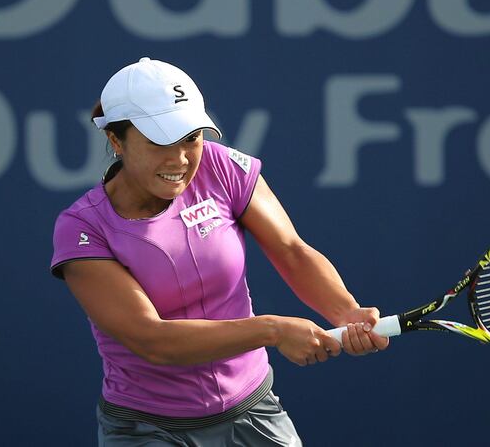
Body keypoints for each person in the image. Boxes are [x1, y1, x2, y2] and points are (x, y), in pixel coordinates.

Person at [50, 57, 388, 446]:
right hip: (147, 431)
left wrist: (346, 312)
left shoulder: (222, 167)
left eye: (191, 138)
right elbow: (152, 340)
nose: (179, 160)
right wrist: (272, 330)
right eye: (160, 141)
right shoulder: (82, 228)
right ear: (116, 140)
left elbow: (292, 251)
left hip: (254, 411)